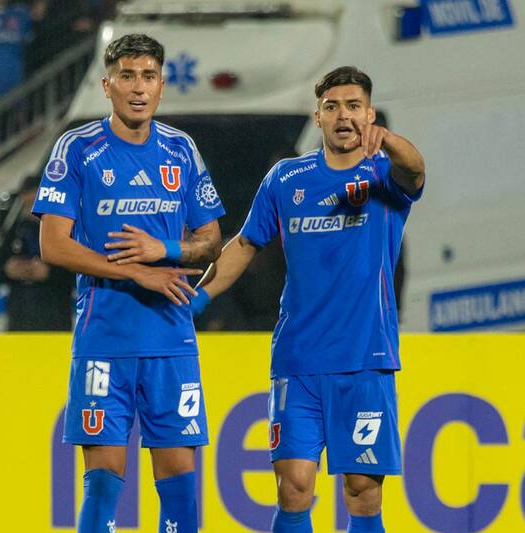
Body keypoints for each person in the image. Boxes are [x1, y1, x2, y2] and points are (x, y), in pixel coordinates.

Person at [193, 66, 425, 533]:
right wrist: (196, 301)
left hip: (365, 359)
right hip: (297, 359)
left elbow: (416, 169)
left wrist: (390, 141)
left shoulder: (383, 174)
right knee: (293, 486)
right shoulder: (285, 178)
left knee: (362, 489)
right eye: (333, 106)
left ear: (369, 115)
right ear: (317, 117)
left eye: (354, 106)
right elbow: (244, 245)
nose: (344, 116)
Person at [32, 34, 224, 533]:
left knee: (180, 480)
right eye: (127, 76)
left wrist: (168, 252)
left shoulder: (181, 150)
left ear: (161, 85)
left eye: (149, 76)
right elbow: (53, 245)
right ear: (107, 85)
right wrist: (134, 271)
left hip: (170, 340)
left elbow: (211, 240)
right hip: (104, 340)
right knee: (103, 481)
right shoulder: (77, 149)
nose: (138, 88)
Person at [0, 174, 75, 331]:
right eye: (26, 205)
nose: (30, 211)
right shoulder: (15, 233)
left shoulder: (64, 233)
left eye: (34, 205)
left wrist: (48, 273)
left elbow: (79, 275)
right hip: (20, 322)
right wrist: (9, 270)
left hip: (54, 320)